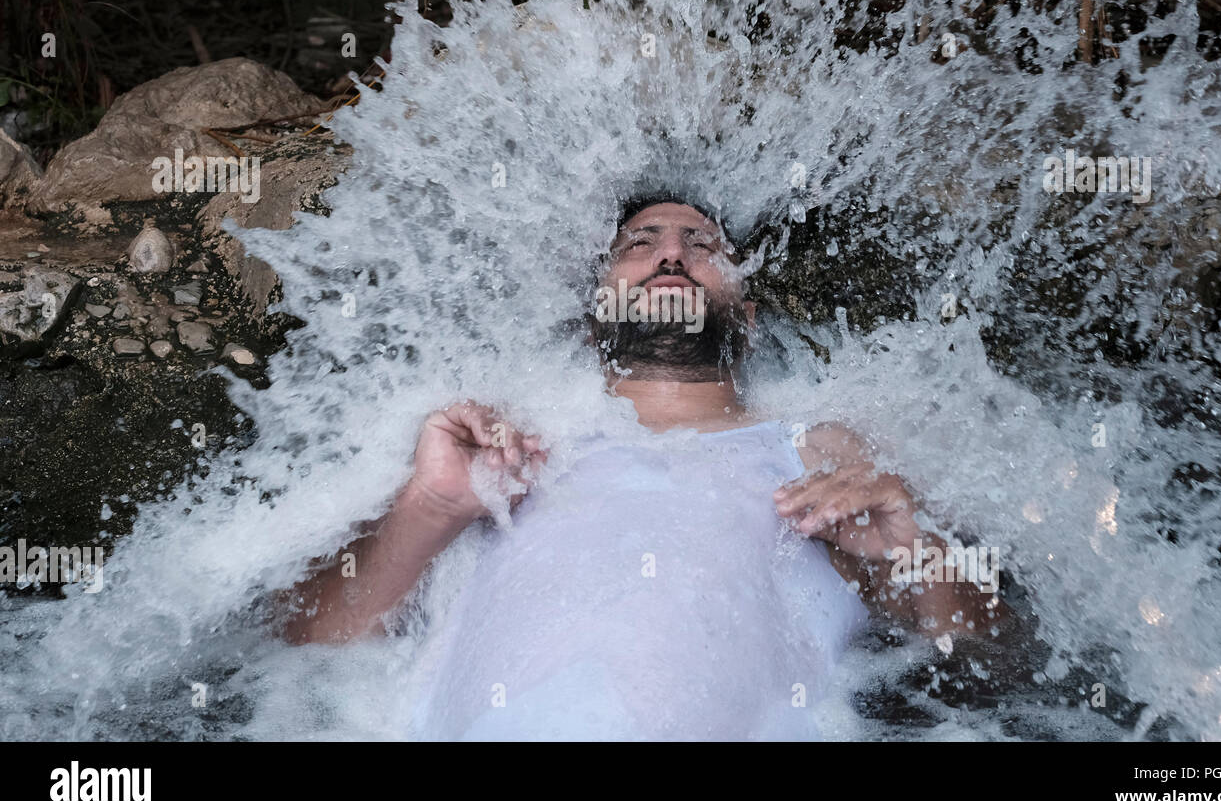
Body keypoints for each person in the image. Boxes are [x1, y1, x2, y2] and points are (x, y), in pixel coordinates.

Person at [281, 193, 1007, 739]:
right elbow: (309, 656)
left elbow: (975, 655)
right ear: (595, 312)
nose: (672, 253)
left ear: (748, 319)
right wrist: (429, 509)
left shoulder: (819, 448)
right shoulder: (511, 443)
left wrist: (917, 552)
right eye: (641, 242)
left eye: (701, 243)